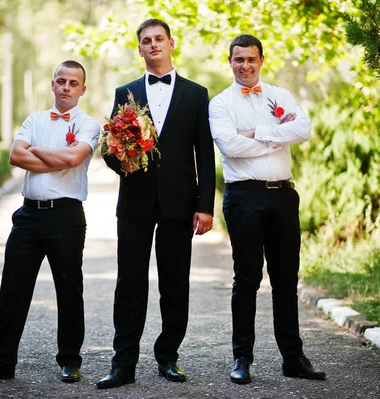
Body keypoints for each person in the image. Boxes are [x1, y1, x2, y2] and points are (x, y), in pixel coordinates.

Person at [96, 19, 216, 389]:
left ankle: (168, 358)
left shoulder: (197, 94)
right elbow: (110, 149)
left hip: (180, 205)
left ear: (171, 43)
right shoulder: (124, 91)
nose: (153, 45)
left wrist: (205, 205)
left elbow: (204, 154)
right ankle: (123, 364)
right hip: (134, 202)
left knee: (175, 284)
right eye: (146, 41)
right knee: (129, 283)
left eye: (159, 39)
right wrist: (123, 158)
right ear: (140, 49)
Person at [0, 60, 100, 384]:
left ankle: (70, 360)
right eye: (61, 81)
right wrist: (54, 156)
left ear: (82, 89)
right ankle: (0, 362)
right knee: (12, 289)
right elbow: (15, 155)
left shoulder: (89, 124)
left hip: (65, 217)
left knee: (69, 290)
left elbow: (73, 158)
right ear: (52, 84)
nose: (66, 87)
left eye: (73, 83)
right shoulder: (34, 119)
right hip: (27, 216)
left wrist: (37, 151)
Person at [209, 34, 326, 384]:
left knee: (286, 280)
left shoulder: (280, 95)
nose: (245, 65)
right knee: (246, 279)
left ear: (262, 60)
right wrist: (277, 136)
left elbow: (302, 129)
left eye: (251, 59)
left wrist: (258, 132)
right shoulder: (220, 103)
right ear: (229, 61)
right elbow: (231, 147)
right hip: (244, 198)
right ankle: (242, 358)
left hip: (283, 196)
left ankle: (293, 358)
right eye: (239, 59)